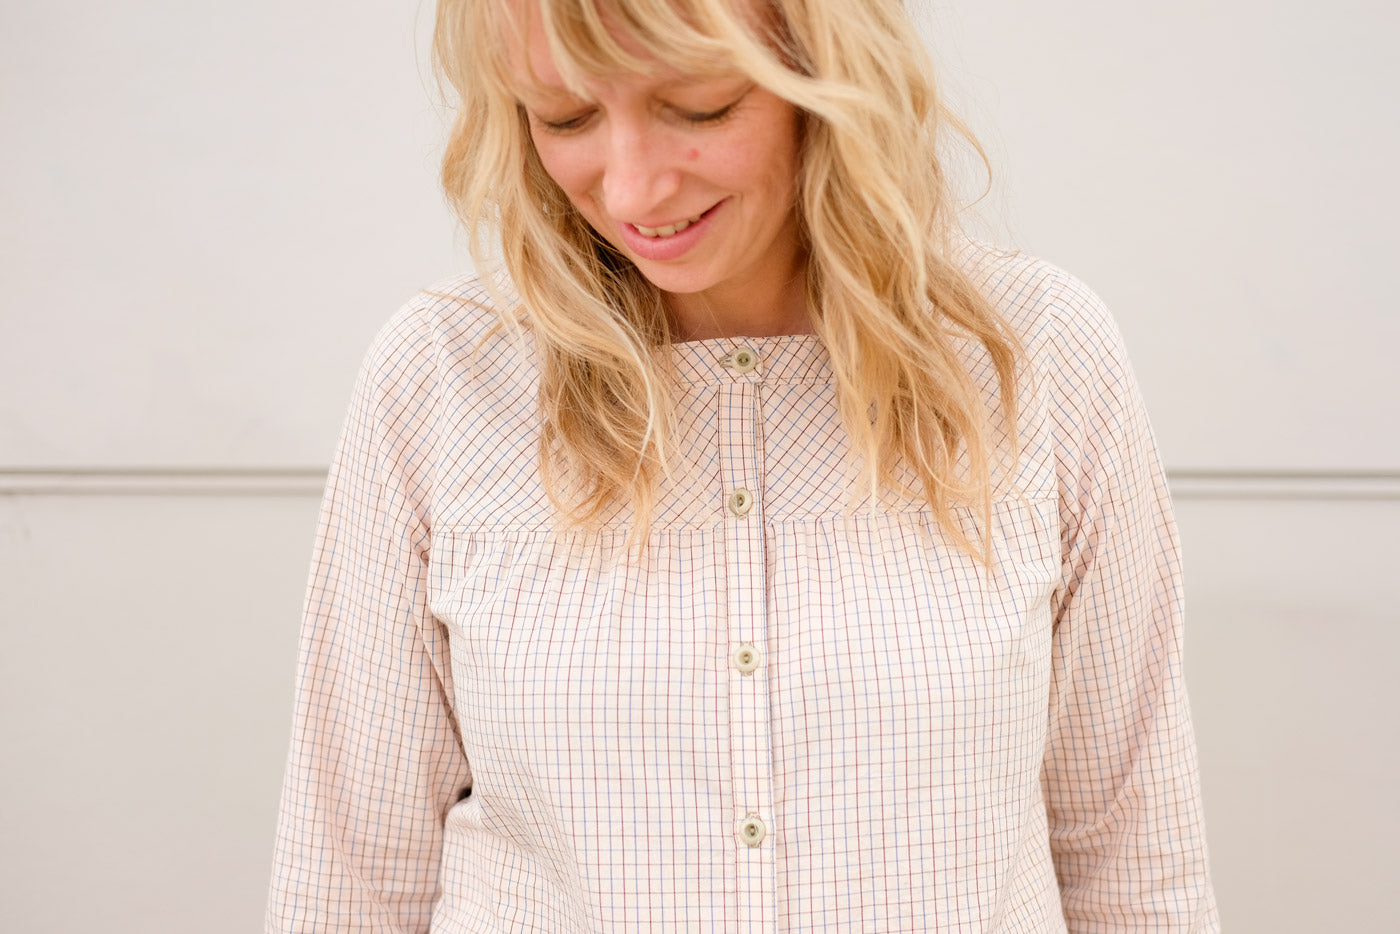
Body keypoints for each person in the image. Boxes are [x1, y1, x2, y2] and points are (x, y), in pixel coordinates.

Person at [267, 0, 1218, 930]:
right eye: (566, 117)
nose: (632, 189)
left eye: (699, 107)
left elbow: (1133, 868)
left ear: (827, 71)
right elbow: (351, 879)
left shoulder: (1036, 353)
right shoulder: (441, 377)